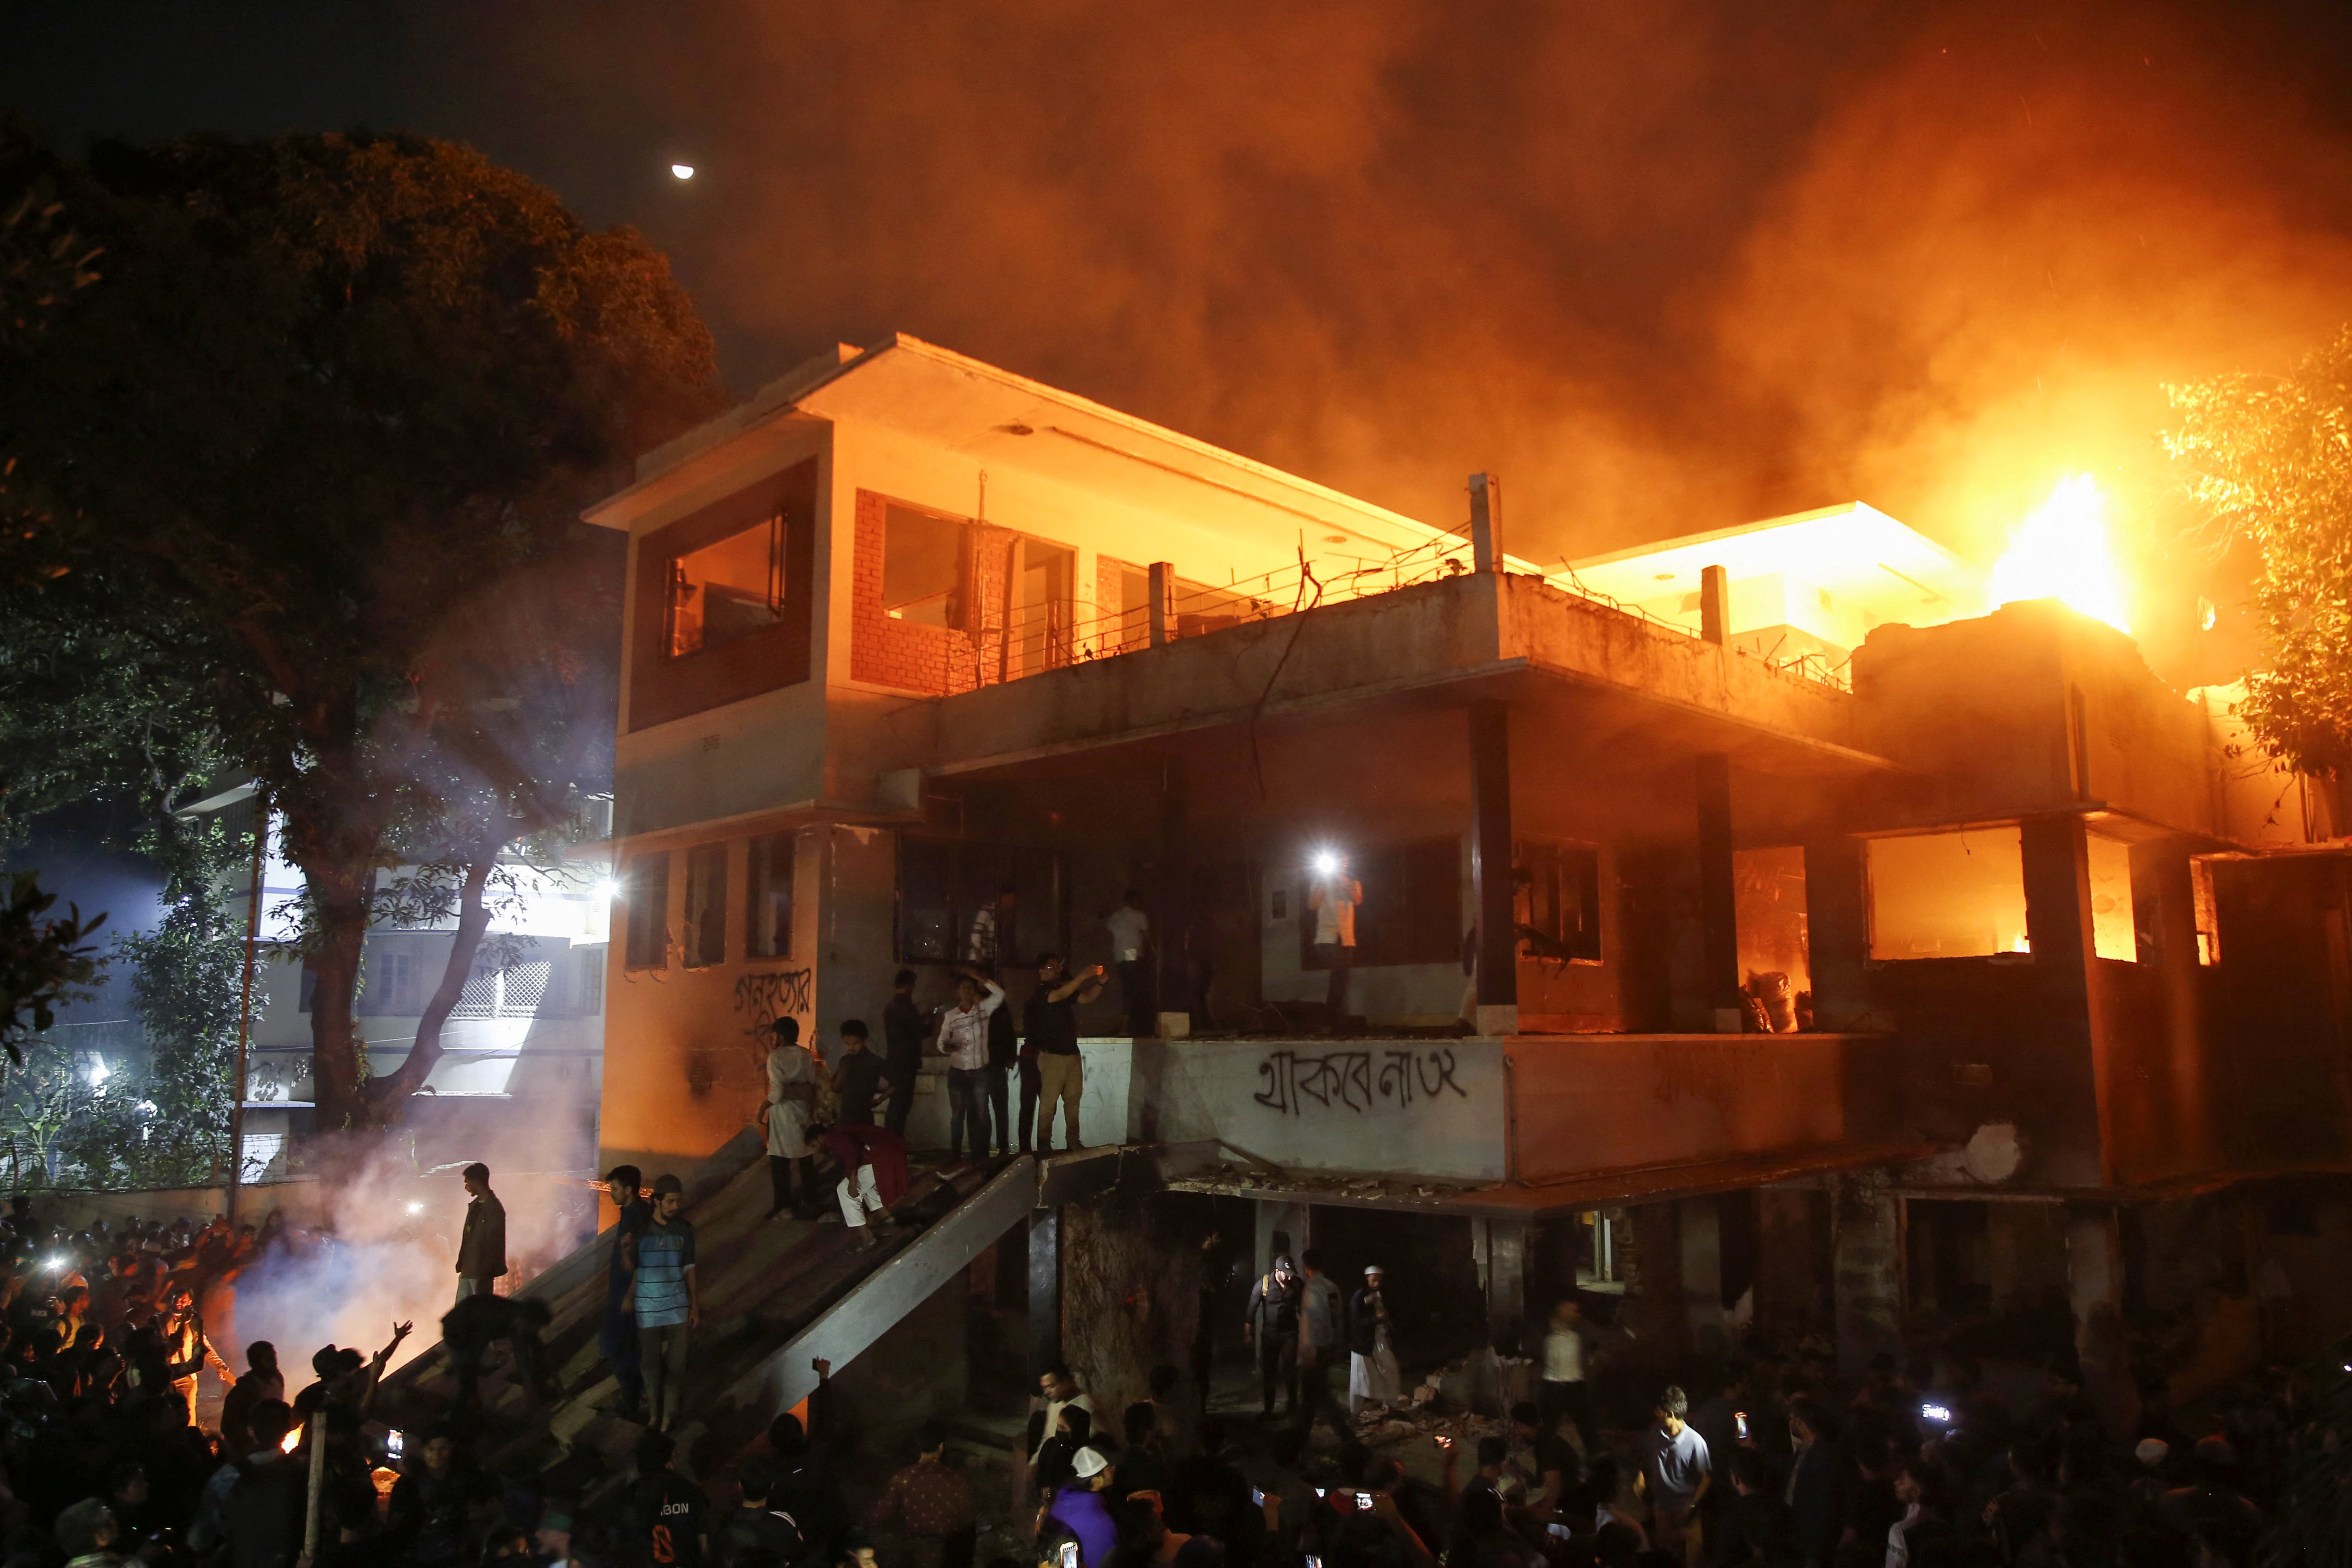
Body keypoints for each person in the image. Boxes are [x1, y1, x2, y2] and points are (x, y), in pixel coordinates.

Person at [622, 1172, 701, 1432]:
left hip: (677, 1307)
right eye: (670, 1202)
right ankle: (655, 1416)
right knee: (651, 1367)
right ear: (656, 1201)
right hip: (648, 1309)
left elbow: (689, 1267)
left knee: (677, 1367)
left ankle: (667, 1417)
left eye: (678, 1201)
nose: (675, 1207)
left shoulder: (685, 1230)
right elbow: (632, 1267)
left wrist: (694, 1305)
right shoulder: (642, 1232)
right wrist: (626, 1251)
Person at [868, 1418, 978, 1568]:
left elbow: (877, 1516)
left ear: (919, 1444)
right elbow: (968, 1523)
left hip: (912, 1558)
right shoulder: (958, 1480)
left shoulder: (902, 1479)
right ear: (941, 1447)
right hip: (949, 1558)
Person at [1027, 952, 1105, 1154]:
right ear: (1042, 971)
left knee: (1073, 1100)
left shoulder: (1060, 989)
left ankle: (1073, 1140)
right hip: (1053, 1056)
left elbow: (1086, 998)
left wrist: (1100, 984)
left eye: (1058, 967)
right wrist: (1083, 976)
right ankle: (1044, 1142)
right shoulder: (1042, 992)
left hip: (1071, 1054)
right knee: (1049, 1103)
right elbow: (1061, 995)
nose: (1058, 970)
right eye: (1053, 967)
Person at [936, 965, 1006, 1163]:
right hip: (958, 1071)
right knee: (958, 1114)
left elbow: (1000, 993)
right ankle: (956, 1154)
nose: (966, 991)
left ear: (974, 989)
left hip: (980, 1071)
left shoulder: (984, 1009)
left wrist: (978, 977)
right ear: (957, 991)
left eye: (970, 987)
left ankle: (981, 1155)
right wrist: (947, 1047)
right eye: (962, 988)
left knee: (982, 1113)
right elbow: (941, 1042)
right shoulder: (951, 1016)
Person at [1540, 1295, 1624, 1457]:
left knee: (1586, 1425)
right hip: (1553, 1386)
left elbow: (1603, 1337)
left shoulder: (1581, 1330)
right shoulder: (1549, 1331)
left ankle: (1595, 1456)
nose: (1573, 1312)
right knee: (1549, 1427)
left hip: (1574, 1385)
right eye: (1568, 1309)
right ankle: (1547, 1460)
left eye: (1574, 1310)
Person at [440, 1291, 554, 1406]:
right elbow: (473, 1356)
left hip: (475, 1323)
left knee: (528, 1343)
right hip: (456, 1332)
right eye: (533, 1327)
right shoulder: (494, 1321)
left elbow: (532, 1347)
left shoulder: (519, 1316)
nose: (533, 1330)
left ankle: (539, 1387)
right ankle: (466, 1402)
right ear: (527, 1320)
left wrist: (540, 1375)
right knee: (466, 1365)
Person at [1639, 1385, 1710, 1568]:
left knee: (1693, 1556)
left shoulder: (1695, 1442)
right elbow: (1647, 1463)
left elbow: (1707, 1478)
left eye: (1659, 1410)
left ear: (1670, 1414)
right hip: (1662, 1509)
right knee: (1665, 1555)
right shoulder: (1655, 1436)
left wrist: (1692, 1506)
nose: (1656, 1413)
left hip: (1686, 1511)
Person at [602, 1164, 652, 1417]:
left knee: (623, 1347)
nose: (611, 1193)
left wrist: (630, 1295)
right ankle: (632, 1396)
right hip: (622, 1292)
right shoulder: (633, 1213)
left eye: (615, 1188)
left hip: (628, 1295)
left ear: (629, 1190)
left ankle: (631, 1400)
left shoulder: (637, 1217)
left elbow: (640, 1261)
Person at [629, 1429, 711, 1568]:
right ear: (667, 1464)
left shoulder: (632, 1497)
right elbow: (704, 1544)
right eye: (676, 1456)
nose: (678, 1460)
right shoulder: (688, 1491)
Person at [766, 1019, 822, 1220]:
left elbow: (778, 1091)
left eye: (774, 1035)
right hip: (803, 1110)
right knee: (806, 1156)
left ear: (780, 1036)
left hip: (782, 1113)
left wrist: (764, 1106)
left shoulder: (776, 1057)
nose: (772, 1038)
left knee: (780, 1161)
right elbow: (811, 1085)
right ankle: (810, 1198)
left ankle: (784, 1206)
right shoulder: (806, 1055)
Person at [1296, 1250, 1349, 1439]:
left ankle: (1346, 1437)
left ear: (1306, 1266)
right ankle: (1301, 1437)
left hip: (1316, 1350)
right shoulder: (1332, 1287)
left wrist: (1309, 1350)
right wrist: (1337, 1343)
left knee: (1316, 1398)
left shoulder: (1312, 1288)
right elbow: (1337, 1318)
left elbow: (1314, 1320)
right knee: (1316, 1397)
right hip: (1330, 1346)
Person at [1243, 1254, 1304, 1420]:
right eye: (1286, 1273)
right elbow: (1251, 1311)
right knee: (1270, 1372)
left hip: (1290, 1334)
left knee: (1290, 1369)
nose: (1289, 1277)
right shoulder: (1264, 1285)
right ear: (1277, 1271)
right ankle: (1269, 1409)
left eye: (1291, 1273)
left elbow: (1305, 1309)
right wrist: (1248, 1334)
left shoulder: (1297, 1285)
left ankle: (1293, 1405)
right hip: (1270, 1336)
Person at [719, 1458, 809, 1568]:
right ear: (772, 1485)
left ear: (740, 1485)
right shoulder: (783, 1521)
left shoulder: (727, 1522)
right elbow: (799, 1552)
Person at [1306, 860, 1362, 1025]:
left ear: (1347, 864)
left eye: (1344, 861)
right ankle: (1331, 1015)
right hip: (1326, 937)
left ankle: (1333, 1015)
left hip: (1347, 938)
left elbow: (1358, 900)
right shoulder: (1320, 880)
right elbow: (1312, 905)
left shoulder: (1353, 883)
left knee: (1342, 976)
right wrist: (1325, 882)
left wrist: (1343, 881)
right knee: (1340, 970)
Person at [1048, 1447, 1119, 1568]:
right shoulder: (1100, 1523)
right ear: (1096, 1481)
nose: (1113, 1471)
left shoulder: (1061, 1502)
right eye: (1108, 1470)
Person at [1349, 1264, 1403, 1413]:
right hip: (1364, 1344)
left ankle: (1391, 1407)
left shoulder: (1381, 1295)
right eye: (1374, 1280)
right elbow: (1356, 1323)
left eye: (1379, 1280)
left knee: (1391, 1371)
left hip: (1379, 1341)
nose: (1377, 1284)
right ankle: (1355, 1413)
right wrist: (1375, 1319)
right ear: (1367, 1279)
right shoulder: (1359, 1297)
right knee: (1359, 1381)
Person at [219, 1339, 282, 1459]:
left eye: (274, 1356)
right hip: (249, 1452)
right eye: (268, 1359)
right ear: (257, 1363)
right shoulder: (243, 1392)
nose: (274, 1362)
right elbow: (228, 1428)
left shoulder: (277, 1379)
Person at [455, 1161, 507, 1302]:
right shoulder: (476, 1207)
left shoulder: (493, 1209)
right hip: (468, 1271)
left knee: (478, 1314)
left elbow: (494, 1245)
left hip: (481, 1273)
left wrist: (486, 1273)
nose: (466, 1187)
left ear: (477, 1182)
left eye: (468, 1183)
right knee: (462, 1315)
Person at [882, 969, 926, 1136]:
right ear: (909, 986)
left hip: (896, 1061)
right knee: (900, 1108)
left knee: (896, 1107)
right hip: (905, 1064)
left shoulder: (892, 1006)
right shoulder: (905, 1007)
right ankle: (894, 1146)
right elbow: (917, 1032)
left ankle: (891, 1145)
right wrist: (929, 1021)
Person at [1106, 891, 1153, 1036]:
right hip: (1133, 954)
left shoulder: (1115, 918)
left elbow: (1112, 933)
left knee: (1128, 990)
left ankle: (1128, 1025)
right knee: (1135, 991)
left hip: (1119, 956)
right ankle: (1132, 1026)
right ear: (1135, 902)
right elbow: (1147, 936)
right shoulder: (1139, 916)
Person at [832, 1019, 891, 1127]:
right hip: (852, 1115)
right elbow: (836, 1087)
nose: (851, 1048)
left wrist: (880, 1100)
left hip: (857, 1116)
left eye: (856, 1043)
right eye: (847, 1044)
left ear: (864, 1041)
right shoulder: (848, 1061)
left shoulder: (873, 1062)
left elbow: (836, 1087)